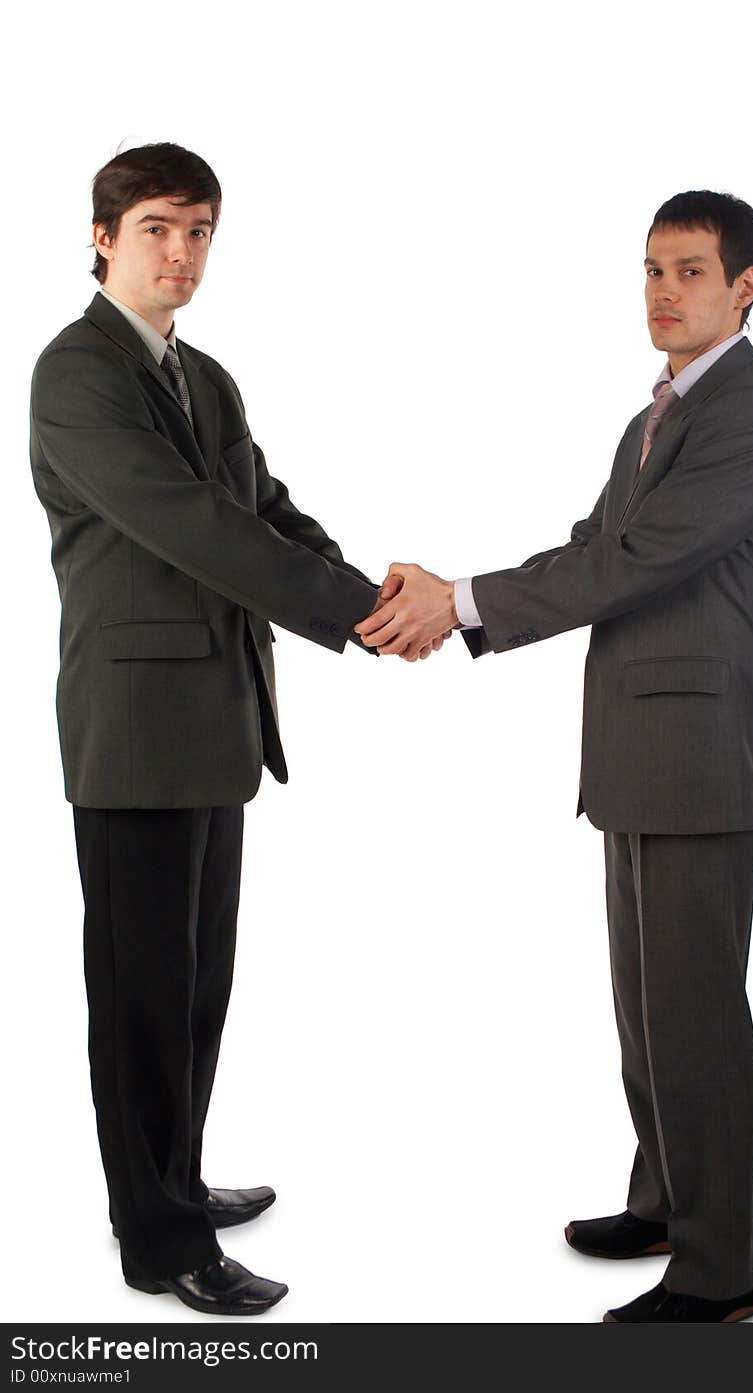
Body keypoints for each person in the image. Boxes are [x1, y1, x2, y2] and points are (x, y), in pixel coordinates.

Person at [355, 191, 753, 1323]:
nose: (664, 291)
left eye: (690, 272)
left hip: (701, 756)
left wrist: (456, 605)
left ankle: (719, 1269)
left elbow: (636, 561)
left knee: (696, 1014)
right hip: (635, 749)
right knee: (647, 1007)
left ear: (745, 285)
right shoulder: (652, 415)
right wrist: (454, 594)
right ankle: (663, 1202)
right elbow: (591, 546)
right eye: (651, 269)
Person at [29, 142, 443, 1316]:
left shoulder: (202, 375)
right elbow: (190, 526)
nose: (183, 253)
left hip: (217, 722)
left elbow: (260, 504)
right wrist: (355, 616)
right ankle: (157, 1242)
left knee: (196, 982)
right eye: (159, 227)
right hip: (134, 727)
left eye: (201, 231)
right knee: (141, 989)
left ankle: (178, 1178)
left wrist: (362, 588)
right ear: (105, 235)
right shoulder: (76, 374)